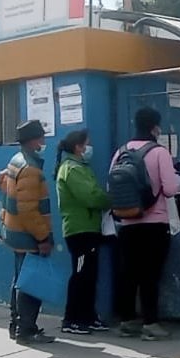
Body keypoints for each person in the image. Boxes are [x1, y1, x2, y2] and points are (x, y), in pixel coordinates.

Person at [111, 107, 180, 341]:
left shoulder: (120, 152)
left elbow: (111, 184)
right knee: (150, 275)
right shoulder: (159, 152)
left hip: (127, 223)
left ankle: (127, 321)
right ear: (155, 127)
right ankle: (150, 323)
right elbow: (170, 189)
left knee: (129, 273)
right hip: (154, 224)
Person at [0, 120, 55, 345]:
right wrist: (42, 237)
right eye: (41, 138)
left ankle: (17, 325)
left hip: (14, 233)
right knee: (31, 283)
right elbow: (29, 210)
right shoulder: (30, 169)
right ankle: (27, 329)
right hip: (28, 234)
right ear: (33, 140)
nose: (43, 142)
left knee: (19, 280)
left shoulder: (16, 161)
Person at [55, 129, 111, 335]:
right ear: (78, 147)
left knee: (89, 275)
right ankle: (72, 319)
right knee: (80, 275)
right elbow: (91, 196)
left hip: (89, 228)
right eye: (87, 144)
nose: (89, 148)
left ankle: (88, 316)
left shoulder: (79, 167)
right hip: (79, 230)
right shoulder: (71, 169)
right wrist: (109, 199)